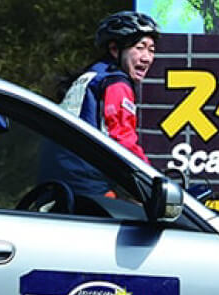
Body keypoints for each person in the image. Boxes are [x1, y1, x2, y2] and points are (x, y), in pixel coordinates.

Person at [40, 10, 159, 197]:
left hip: (56, 174)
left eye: (151, 50)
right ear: (114, 49)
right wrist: (154, 180)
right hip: (84, 178)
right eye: (140, 47)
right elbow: (122, 138)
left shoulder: (91, 75)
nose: (147, 57)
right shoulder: (116, 83)